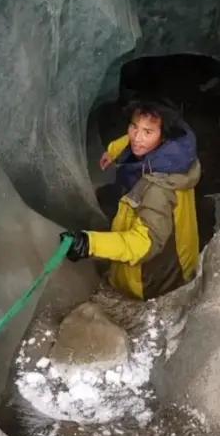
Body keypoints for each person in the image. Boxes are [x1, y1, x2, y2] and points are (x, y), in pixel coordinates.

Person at [61, 100, 201, 301]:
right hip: (180, 251)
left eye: (147, 132)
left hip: (156, 281)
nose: (137, 137)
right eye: (134, 127)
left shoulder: (158, 189)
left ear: (163, 136)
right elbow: (135, 139)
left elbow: (142, 245)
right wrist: (114, 150)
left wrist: (88, 243)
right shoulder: (177, 150)